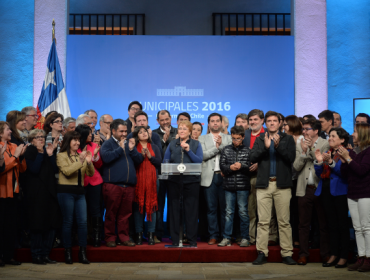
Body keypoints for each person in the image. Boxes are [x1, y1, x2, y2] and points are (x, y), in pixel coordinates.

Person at [250, 111, 296, 265]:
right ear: (265, 123)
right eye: (268, 121)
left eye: (274, 121)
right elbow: (252, 157)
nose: (271, 123)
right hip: (264, 184)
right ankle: (262, 252)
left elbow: (291, 158)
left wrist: (277, 147)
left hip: (282, 185)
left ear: (280, 123)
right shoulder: (260, 139)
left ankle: (287, 253)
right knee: (263, 221)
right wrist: (265, 147)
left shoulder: (288, 139)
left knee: (284, 221)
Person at [292, 118, 330, 265]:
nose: (304, 131)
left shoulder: (325, 143)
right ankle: (303, 254)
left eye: (307, 129)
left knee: (323, 223)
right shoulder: (299, 143)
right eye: (304, 129)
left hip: (320, 188)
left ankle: (325, 254)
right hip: (304, 189)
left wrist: (312, 149)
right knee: (303, 224)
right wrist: (303, 151)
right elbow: (296, 167)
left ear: (315, 130)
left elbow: (322, 162)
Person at [100, 119, 142, 247]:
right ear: (113, 131)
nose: (124, 134)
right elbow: (106, 158)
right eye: (121, 131)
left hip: (128, 186)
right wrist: (120, 149)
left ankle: (124, 237)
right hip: (113, 185)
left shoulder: (129, 143)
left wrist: (132, 149)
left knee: (125, 215)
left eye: (126, 131)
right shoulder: (108, 144)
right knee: (111, 213)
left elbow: (139, 159)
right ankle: (110, 238)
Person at [56, 131, 95, 265]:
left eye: (78, 140)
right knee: (68, 222)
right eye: (74, 140)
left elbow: (90, 173)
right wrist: (81, 161)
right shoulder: (61, 156)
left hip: (80, 192)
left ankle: (82, 252)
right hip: (66, 191)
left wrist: (89, 162)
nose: (77, 143)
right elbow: (67, 172)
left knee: (83, 223)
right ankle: (67, 252)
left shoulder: (81, 155)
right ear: (68, 141)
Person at [314, 127, 350, 268]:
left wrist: (330, 163)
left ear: (342, 139)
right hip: (326, 191)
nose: (330, 138)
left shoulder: (346, 153)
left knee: (342, 225)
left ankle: (343, 256)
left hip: (340, 191)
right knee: (331, 225)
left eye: (333, 136)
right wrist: (318, 161)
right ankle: (334, 254)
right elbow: (319, 174)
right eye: (329, 136)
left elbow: (343, 173)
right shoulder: (328, 152)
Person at [24, 129, 60, 265]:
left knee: (51, 224)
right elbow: (34, 169)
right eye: (38, 137)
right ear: (32, 140)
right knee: (38, 224)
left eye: (43, 137)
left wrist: (51, 155)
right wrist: (40, 153)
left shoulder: (47, 151)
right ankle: (36, 254)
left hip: (49, 192)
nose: (41, 139)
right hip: (36, 194)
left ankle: (45, 254)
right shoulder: (30, 151)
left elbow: (55, 170)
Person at [164, 120, 203, 246]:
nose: (181, 131)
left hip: (191, 182)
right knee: (174, 211)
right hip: (175, 182)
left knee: (191, 212)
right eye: (180, 128)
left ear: (190, 131)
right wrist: (167, 166)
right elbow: (166, 161)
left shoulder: (196, 144)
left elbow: (198, 161)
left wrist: (188, 150)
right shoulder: (172, 144)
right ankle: (175, 241)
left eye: (185, 129)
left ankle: (192, 241)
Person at [243, 109, 278, 246]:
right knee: (250, 209)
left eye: (255, 119)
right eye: (250, 120)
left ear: (262, 121)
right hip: (247, 176)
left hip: (265, 175)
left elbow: (274, 155)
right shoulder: (245, 134)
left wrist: (259, 163)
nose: (252, 122)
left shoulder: (268, 134)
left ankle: (271, 236)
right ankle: (252, 237)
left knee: (268, 209)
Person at [339, 123, 370, 271]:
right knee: (357, 228)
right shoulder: (354, 151)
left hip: (365, 192)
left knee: (366, 227)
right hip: (352, 193)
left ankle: (369, 259)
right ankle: (361, 257)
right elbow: (346, 174)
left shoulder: (369, 151)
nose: (352, 134)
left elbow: (362, 171)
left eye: (355, 132)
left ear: (363, 134)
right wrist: (345, 161)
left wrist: (348, 159)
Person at [199, 113, 232, 245]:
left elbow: (230, 155)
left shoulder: (229, 138)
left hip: (225, 176)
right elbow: (202, 155)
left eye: (217, 121)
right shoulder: (202, 139)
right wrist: (217, 148)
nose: (215, 123)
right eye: (212, 121)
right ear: (208, 124)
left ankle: (225, 236)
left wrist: (222, 146)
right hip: (209, 178)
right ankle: (213, 235)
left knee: (225, 209)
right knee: (211, 209)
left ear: (222, 123)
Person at [218, 126, 251, 247]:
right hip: (228, 185)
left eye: (238, 139)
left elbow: (250, 168)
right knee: (228, 212)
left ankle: (245, 237)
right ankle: (226, 237)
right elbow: (222, 166)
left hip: (243, 186)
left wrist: (241, 166)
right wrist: (230, 168)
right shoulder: (226, 149)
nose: (235, 141)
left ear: (243, 137)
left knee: (243, 212)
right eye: (233, 138)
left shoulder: (248, 150)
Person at [0, 121, 27, 266]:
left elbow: (22, 169)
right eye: (7, 129)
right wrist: (16, 157)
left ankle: (8, 256)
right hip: (1, 192)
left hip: (13, 192)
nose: (10, 131)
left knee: (11, 226)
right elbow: (1, 169)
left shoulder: (14, 146)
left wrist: (21, 157)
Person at [132, 126, 162, 245]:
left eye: (145, 131)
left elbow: (159, 162)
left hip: (153, 181)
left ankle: (150, 235)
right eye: (141, 132)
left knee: (152, 207)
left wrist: (150, 157)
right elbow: (133, 162)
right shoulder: (134, 147)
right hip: (137, 180)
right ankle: (139, 234)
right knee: (138, 207)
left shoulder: (154, 146)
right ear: (136, 135)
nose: (144, 133)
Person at [75, 125, 104, 247]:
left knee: (95, 209)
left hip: (95, 181)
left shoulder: (95, 146)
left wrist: (95, 157)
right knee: (81, 210)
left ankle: (97, 236)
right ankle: (83, 236)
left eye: (91, 133)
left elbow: (99, 165)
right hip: (79, 182)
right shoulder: (74, 147)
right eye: (88, 133)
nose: (91, 135)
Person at [153, 110, 177, 243]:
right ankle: (158, 233)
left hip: (175, 174)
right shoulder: (154, 134)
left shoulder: (179, 131)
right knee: (159, 204)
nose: (165, 122)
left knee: (174, 205)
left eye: (167, 119)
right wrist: (164, 141)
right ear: (158, 121)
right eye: (162, 120)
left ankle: (174, 233)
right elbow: (155, 152)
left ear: (170, 118)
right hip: (159, 173)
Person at [283, 115, 303, 249]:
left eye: (285, 124)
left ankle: (297, 238)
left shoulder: (301, 140)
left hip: (298, 180)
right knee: (287, 212)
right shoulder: (285, 138)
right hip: (287, 179)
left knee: (297, 212)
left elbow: (298, 162)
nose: (283, 126)